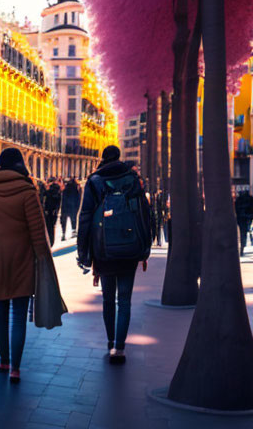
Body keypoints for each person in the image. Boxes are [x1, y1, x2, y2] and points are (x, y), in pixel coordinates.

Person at [0, 148, 55, 384]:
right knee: (17, 316)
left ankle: (3, 360)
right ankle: (15, 367)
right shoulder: (28, 190)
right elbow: (37, 232)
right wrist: (44, 260)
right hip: (22, 260)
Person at [77, 146, 151, 365]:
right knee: (125, 301)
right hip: (129, 248)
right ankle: (120, 347)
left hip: (103, 249)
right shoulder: (132, 178)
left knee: (108, 299)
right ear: (119, 157)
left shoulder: (95, 181)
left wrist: (84, 253)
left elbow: (85, 218)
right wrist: (144, 247)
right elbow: (145, 213)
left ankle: (110, 342)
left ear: (103, 158)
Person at [234, 189, 253, 256]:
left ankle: (242, 248)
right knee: (244, 233)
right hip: (247, 218)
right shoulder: (250, 198)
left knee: (242, 233)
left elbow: (236, 209)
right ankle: (242, 247)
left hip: (241, 218)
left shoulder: (238, 199)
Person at [43, 177, 62, 247]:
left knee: (48, 227)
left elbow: (45, 198)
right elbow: (58, 201)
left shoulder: (50, 190)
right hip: (53, 211)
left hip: (49, 211)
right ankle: (51, 241)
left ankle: (49, 242)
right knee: (52, 226)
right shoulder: (58, 189)